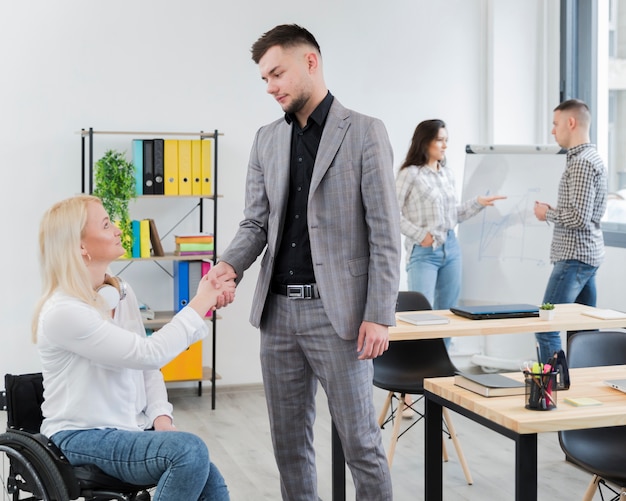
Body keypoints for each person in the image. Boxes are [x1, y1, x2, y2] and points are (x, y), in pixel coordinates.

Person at [211, 24, 400, 500]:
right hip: (277, 315)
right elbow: (255, 224)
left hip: (339, 317)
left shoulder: (364, 132)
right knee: (289, 446)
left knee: (361, 444)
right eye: (264, 79)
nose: (271, 86)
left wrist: (379, 313)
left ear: (310, 62)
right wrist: (229, 265)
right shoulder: (266, 139)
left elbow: (385, 232)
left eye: (277, 73)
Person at [32, 194, 235, 501]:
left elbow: (147, 367)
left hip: (128, 431)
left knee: (206, 471)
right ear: (80, 247)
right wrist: (202, 300)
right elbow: (148, 352)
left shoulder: (120, 291)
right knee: (189, 452)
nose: (117, 229)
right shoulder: (63, 312)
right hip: (80, 436)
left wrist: (161, 418)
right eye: (105, 224)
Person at [396, 119, 505, 417]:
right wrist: (421, 235)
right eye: (440, 140)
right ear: (425, 142)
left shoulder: (446, 174)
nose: (445, 145)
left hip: (451, 250)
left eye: (446, 140)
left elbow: (453, 214)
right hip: (424, 252)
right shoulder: (409, 174)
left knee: (446, 317)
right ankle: (406, 389)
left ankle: (438, 382)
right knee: (418, 319)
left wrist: (479, 203)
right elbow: (390, 213)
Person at [534, 99, 607, 362]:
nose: (553, 131)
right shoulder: (591, 158)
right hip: (587, 256)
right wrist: (558, 210)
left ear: (571, 123)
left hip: (573, 258)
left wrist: (547, 214)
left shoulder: (581, 163)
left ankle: (551, 390)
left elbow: (578, 218)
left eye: (555, 124)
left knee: (545, 326)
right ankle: (582, 390)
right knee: (584, 332)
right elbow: (586, 213)